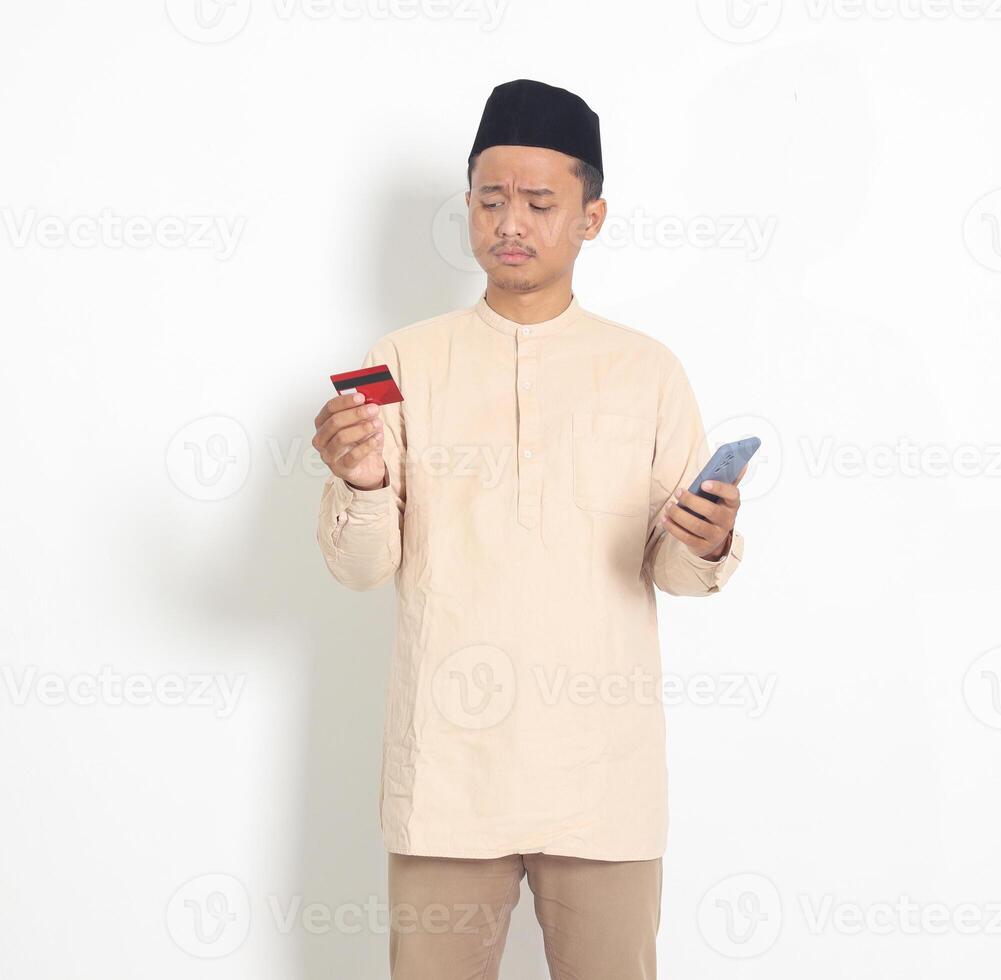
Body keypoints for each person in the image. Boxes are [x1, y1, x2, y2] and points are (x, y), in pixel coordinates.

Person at [312, 78, 748, 980]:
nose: (510, 222)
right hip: (448, 777)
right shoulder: (400, 363)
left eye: (539, 202)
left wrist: (706, 538)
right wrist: (360, 480)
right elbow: (362, 569)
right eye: (490, 199)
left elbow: (671, 569)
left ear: (591, 217)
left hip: (602, 781)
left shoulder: (646, 371)